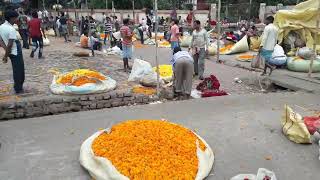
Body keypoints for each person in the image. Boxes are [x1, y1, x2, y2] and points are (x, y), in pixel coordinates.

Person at [0, 10, 25, 94]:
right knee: (19, 70)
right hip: (15, 50)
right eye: (16, 18)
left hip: (10, 50)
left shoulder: (1, 26)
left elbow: (1, 41)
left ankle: (18, 87)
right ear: (11, 18)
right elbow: (10, 45)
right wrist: (6, 55)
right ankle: (18, 89)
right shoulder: (11, 29)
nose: (17, 19)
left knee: (16, 69)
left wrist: (6, 51)